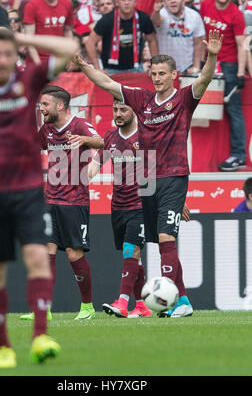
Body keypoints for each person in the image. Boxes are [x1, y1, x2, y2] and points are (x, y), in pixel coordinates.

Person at [73, 28, 223, 317]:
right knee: (159, 242)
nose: (156, 78)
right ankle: (183, 302)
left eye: (162, 74)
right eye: (153, 73)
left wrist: (212, 56)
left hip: (174, 175)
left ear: (174, 75)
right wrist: (84, 66)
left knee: (166, 238)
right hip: (148, 181)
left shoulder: (182, 100)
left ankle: (176, 301)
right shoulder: (141, 100)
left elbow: (204, 79)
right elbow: (106, 82)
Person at [0, 28, 78, 367]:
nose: (4, 60)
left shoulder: (31, 79)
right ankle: (3, 347)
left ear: (16, 55)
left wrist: (24, 38)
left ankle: (40, 336)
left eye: (9, 54)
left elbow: (70, 47)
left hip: (27, 192)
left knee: (38, 258)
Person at [20, 85, 104, 321]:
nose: (42, 109)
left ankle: (87, 306)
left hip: (75, 200)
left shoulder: (79, 125)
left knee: (73, 253)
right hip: (51, 198)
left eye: (45, 104)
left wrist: (86, 139)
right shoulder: (46, 129)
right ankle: (43, 308)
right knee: (46, 252)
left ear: (60, 105)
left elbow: (102, 142)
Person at [88, 100, 151, 319]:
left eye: (123, 109)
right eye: (115, 109)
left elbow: (159, 169)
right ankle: (142, 305)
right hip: (118, 205)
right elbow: (95, 165)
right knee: (135, 258)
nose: (118, 113)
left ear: (134, 111)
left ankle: (123, 302)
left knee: (130, 250)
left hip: (140, 204)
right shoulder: (110, 138)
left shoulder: (145, 137)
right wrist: (79, 181)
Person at [200, 0, 247, 171]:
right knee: (195, 107)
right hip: (207, 62)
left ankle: (238, 155)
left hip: (228, 64)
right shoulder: (206, 4)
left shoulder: (235, 13)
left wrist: (240, 73)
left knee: (233, 110)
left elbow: (241, 44)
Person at [85, 0, 158, 74]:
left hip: (136, 67)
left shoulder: (143, 18)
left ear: (135, 1)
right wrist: (97, 68)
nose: (126, 3)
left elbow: (153, 41)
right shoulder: (107, 20)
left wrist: (155, 66)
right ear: (117, 2)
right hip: (111, 70)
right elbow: (90, 43)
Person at [23, 0, 74, 64]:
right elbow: (29, 40)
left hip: (59, 58)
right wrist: (39, 64)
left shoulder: (67, 3)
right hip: (38, 59)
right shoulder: (32, 5)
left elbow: (68, 32)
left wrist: (70, 57)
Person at [152, 0, 206, 74]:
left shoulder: (194, 15)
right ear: (164, 2)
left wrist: (196, 66)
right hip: (164, 68)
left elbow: (198, 43)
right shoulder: (161, 13)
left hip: (187, 68)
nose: (173, 1)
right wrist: (156, 11)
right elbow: (156, 21)